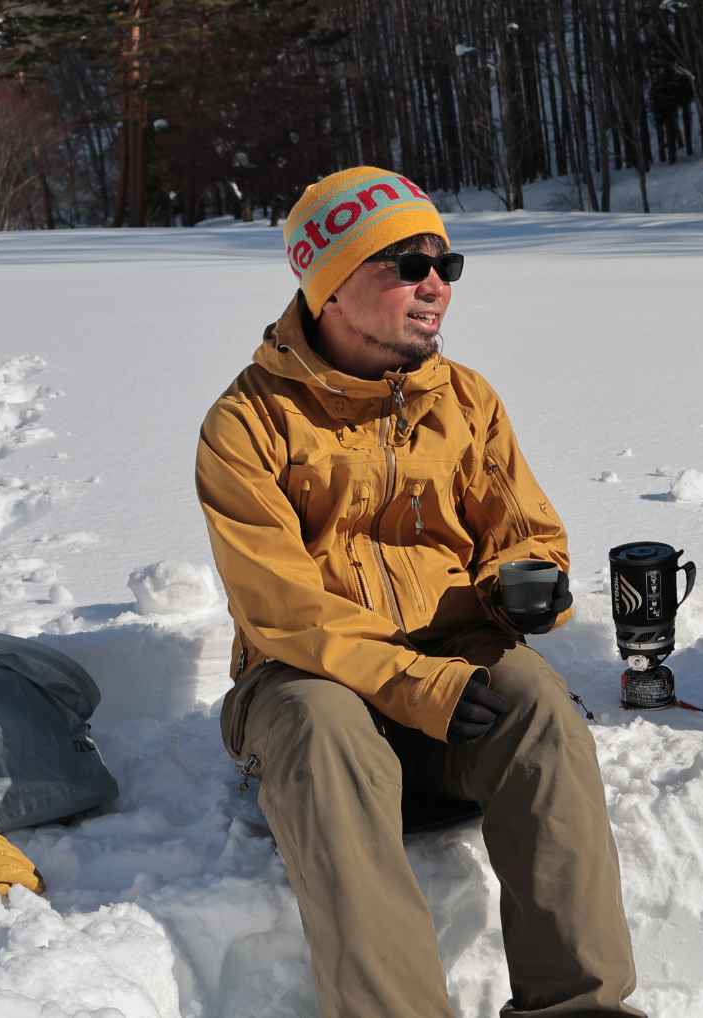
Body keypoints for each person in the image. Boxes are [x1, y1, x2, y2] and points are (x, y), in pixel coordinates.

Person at [195, 166, 644, 1018]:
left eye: (446, 263)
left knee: (544, 712)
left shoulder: (465, 400)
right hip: (304, 679)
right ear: (329, 285)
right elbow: (280, 607)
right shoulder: (246, 424)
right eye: (404, 263)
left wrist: (524, 586)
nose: (435, 284)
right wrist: (414, 683)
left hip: (456, 676)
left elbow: (525, 530)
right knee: (326, 727)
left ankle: (580, 1008)